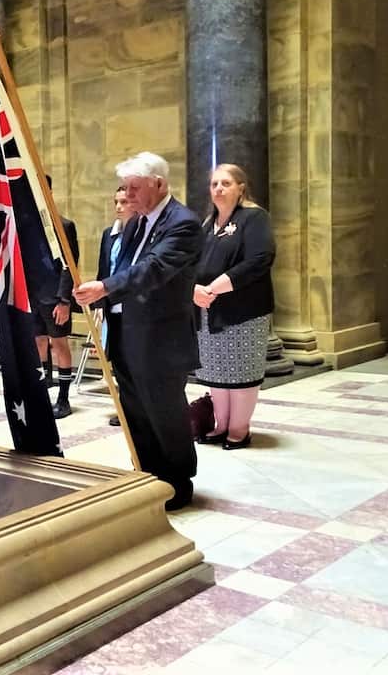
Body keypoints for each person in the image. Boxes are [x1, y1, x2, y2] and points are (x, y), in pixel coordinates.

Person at [74, 152, 201, 511]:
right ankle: (148, 474)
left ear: (158, 184)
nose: (126, 195)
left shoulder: (183, 223)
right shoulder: (135, 224)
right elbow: (122, 266)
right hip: (126, 333)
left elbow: (153, 269)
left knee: (164, 412)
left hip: (161, 339)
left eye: (134, 187)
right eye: (125, 188)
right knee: (135, 411)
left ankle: (177, 482)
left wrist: (105, 287)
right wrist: (97, 294)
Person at [192, 164, 275, 450]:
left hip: (244, 310)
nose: (218, 189)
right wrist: (194, 289)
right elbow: (192, 263)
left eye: (225, 183)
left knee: (240, 370)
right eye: (214, 184)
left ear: (241, 187)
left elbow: (259, 259)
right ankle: (221, 424)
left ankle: (240, 428)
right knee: (217, 370)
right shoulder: (207, 224)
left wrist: (214, 288)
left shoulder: (254, 218)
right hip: (208, 309)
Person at [35, 176, 80, 418]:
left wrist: (64, 300)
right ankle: (43, 390)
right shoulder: (28, 228)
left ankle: (63, 398)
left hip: (55, 297)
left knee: (59, 344)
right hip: (34, 296)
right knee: (39, 342)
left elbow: (69, 266)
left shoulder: (64, 226)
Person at [94, 185, 134, 427]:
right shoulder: (110, 234)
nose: (119, 207)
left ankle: (136, 409)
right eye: (116, 202)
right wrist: (99, 303)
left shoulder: (142, 233)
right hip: (112, 307)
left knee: (134, 361)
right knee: (118, 361)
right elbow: (103, 270)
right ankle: (123, 406)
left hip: (133, 308)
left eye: (124, 202)